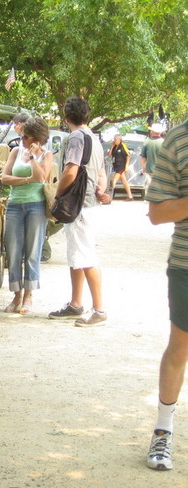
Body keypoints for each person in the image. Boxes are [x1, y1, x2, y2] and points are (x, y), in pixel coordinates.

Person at [144, 119, 188, 471]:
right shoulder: (178, 139)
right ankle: (163, 429)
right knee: (180, 348)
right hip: (187, 266)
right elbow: (157, 212)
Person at [48, 96, 111, 326]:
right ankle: (76, 304)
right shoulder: (94, 138)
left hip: (78, 206)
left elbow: (71, 171)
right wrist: (101, 191)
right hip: (89, 205)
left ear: (66, 118)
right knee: (76, 256)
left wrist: (57, 195)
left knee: (86, 258)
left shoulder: (75, 137)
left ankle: (99, 310)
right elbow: (102, 174)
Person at [1, 117, 53, 314]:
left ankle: (29, 295)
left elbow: (41, 177)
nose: (22, 139)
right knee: (13, 251)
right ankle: (16, 295)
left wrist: (32, 158)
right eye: (21, 135)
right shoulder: (15, 151)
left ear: (37, 139)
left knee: (32, 251)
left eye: (26, 137)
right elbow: (4, 178)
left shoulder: (46, 155)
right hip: (15, 204)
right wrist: (26, 180)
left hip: (36, 206)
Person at [108, 134, 134, 201]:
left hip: (121, 166)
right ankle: (130, 196)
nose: (114, 141)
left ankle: (109, 196)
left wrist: (126, 166)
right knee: (124, 181)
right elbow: (110, 154)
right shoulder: (114, 147)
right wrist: (112, 146)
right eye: (114, 139)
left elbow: (128, 156)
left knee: (114, 180)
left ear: (119, 139)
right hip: (116, 165)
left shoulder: (123, 146)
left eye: (115, 139)